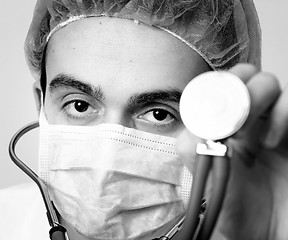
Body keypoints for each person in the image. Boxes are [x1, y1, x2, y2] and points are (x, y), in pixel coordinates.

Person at [1, 0, 288, 239]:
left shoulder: (254, 225)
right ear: (40, 103)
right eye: (79, 105)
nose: (107, 165)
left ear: (222, 124)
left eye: (158, 114)